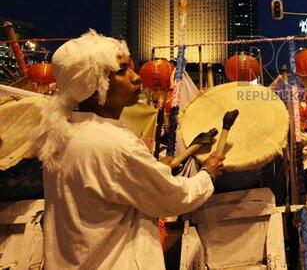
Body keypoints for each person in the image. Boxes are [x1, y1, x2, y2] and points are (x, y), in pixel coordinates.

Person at [35, 30, 224, 269]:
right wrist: (208, 174)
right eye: (122, 71)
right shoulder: (115, 144)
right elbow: (174, 197)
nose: (136, 78)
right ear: (94, 86)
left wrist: (152, 169)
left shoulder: (63, 133)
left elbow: (111, 184)